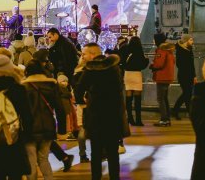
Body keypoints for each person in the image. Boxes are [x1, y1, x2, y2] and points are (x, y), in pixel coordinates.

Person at [74, 43, 129, 180]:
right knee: (112, 151)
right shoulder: (114, 68)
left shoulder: (90, 70)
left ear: (93, 54)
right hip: (113, 115)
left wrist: (83, 102)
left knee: (96, 152)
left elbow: (78, 89)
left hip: (95, 115)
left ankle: (96, 177)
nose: (82, 56)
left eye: (84, 54)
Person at [21, 60, 66, 180]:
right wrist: (62, 130)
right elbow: (60, 109)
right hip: (48, 127)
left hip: (29, 128)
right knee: (44, 158)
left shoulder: (24, 87)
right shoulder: (51, 85)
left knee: (31, 160)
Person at [122, 36, 148, 126]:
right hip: (137, 74)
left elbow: (122, 62)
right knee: (137, 99)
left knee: (128, 98)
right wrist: (147, 61)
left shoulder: (126, 50)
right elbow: (143, 64)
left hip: (128, 74)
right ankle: (138, 120)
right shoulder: (139, 52)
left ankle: (129, 118)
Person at [151, 39, 175, 126]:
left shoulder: (161, 51)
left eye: (154, 39)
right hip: (168, 77)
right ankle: (167, 119)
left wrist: (152, 65)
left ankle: (164, 120)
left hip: (162, 77)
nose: (153, 41)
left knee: (160, 99)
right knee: (165, 98)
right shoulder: (170, 52)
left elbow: (159, 64)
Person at [171, 34, 195, 119]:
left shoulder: (189, 50)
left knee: (187, 95)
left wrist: (194, 76)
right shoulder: (181, 51)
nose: (192, 42)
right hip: (183, 75)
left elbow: (192, 65)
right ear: (186, 41)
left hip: (189, 76)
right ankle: (175, 110)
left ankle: (189, 113)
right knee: (186, 94)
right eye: (191, 40)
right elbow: (179, 64)